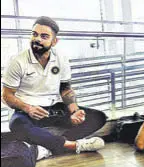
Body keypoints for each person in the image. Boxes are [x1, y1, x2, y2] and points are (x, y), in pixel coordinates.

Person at [1, 16, 106, 158]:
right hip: (27, 112)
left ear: (54, 41)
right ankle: (72, 145)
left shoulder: (61, 59)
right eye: (34, 34)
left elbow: (65, 89)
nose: (37, 39)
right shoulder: (18, 61)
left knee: (98, 117)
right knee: (16, 126)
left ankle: (48, 146)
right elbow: (6, 95)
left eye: (44, 36)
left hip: (55, 110)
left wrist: (74, 111)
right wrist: (28, 108)